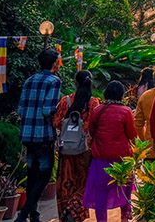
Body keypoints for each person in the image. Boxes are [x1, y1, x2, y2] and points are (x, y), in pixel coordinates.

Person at [15, 48, 62, 222]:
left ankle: (33, 213)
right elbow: (47, 109)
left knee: (32, 173)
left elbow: (20, 108)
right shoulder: (54, 81)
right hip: (43, 134)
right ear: (54, 63)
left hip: (27, 133)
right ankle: (24, 213)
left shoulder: (29, 80)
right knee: (44, 175)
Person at [84, 81, 136, 222]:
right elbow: (132, 134)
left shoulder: (97, 110)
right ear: (121, 95)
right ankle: (125, 218)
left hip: (100, 159)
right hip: (122, 159)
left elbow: (91, 131)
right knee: (125, 190)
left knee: (101, 194)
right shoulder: (126, 111)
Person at [53, 70, 99, 222]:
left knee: (66, 181)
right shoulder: (94, 103)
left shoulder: (66, 101)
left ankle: (66, 209)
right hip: (85, 151)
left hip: (66, 149)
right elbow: (93, 126)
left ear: (75, 82)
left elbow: (56, 122)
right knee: (82, 183)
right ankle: (75, 211)